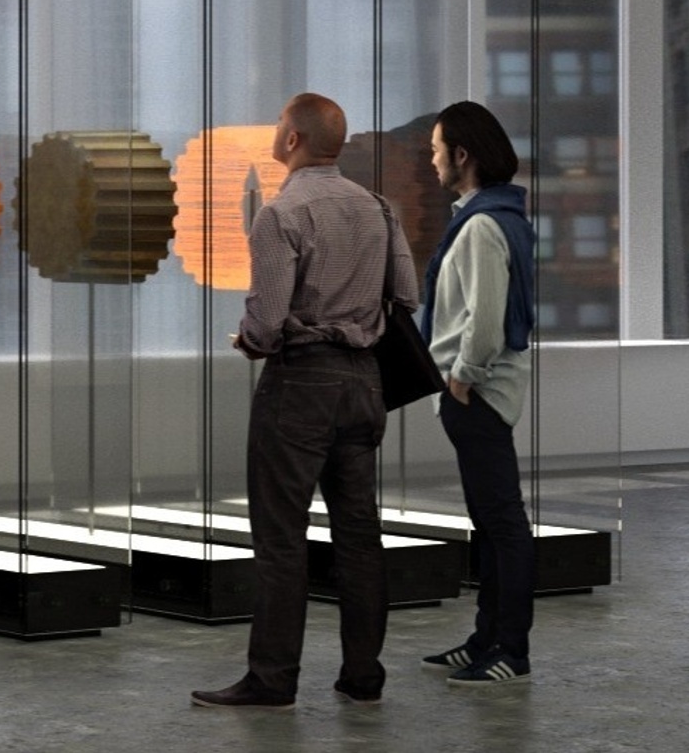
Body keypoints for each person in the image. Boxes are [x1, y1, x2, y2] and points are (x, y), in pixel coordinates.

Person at [191, 92, 417, 710]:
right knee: (359, 533)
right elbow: (406, 291)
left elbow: (265, 322)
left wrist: (253, 340)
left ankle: (272, 678)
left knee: (282, 538)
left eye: (279, 126)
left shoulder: (280, 213)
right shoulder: (378, 207)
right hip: (365, 382)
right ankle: (363, 675)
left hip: (301, 386)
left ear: (292, 141)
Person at [420, 100, 536, 686]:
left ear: (462, 156)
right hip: (479, 395)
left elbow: (485, 320)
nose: (433, 159)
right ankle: (487, 638)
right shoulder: (495, 215)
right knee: (491, 524)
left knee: (503, 523)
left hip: (478, 395)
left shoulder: (483, 225)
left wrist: (461, 377)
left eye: (438, 149)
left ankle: (510, 650)